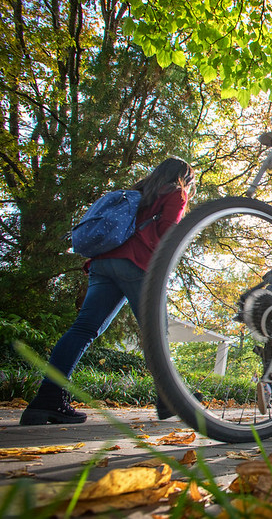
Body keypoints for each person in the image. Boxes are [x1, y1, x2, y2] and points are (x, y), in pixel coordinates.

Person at [20, 157, 196, 426]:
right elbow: (166, 236)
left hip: (103, 262)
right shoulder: (176, 191)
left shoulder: (138, 191)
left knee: (83, 329)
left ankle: (47, 399)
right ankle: (168, 400)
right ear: (185, 177)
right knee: (156, 334)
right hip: (136, 265)